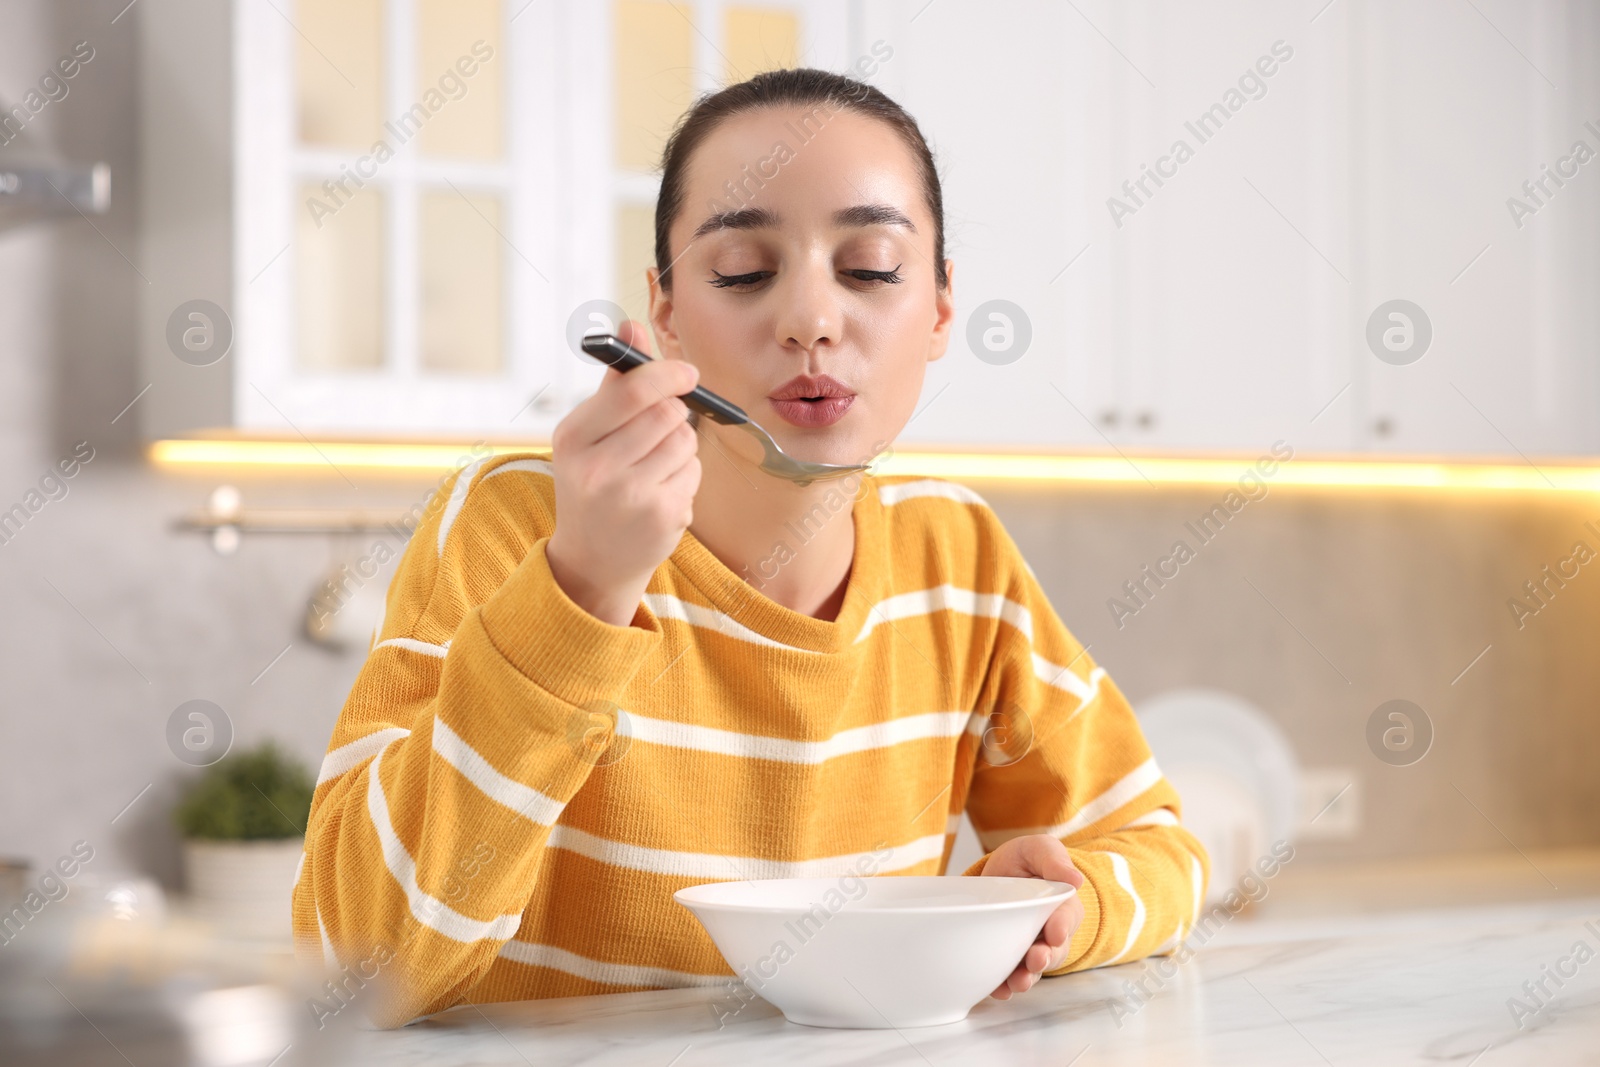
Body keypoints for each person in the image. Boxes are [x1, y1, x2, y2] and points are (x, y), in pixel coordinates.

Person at [292, 67, 1208, 1028]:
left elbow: (1158, 847)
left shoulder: (958, 556)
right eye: (741, 271)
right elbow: (356, 962)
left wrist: (1066, 906)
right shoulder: (516, 526)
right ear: (668, 309)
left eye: (871, 269)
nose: (811, 320)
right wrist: (581, 592)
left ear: (939, 309)